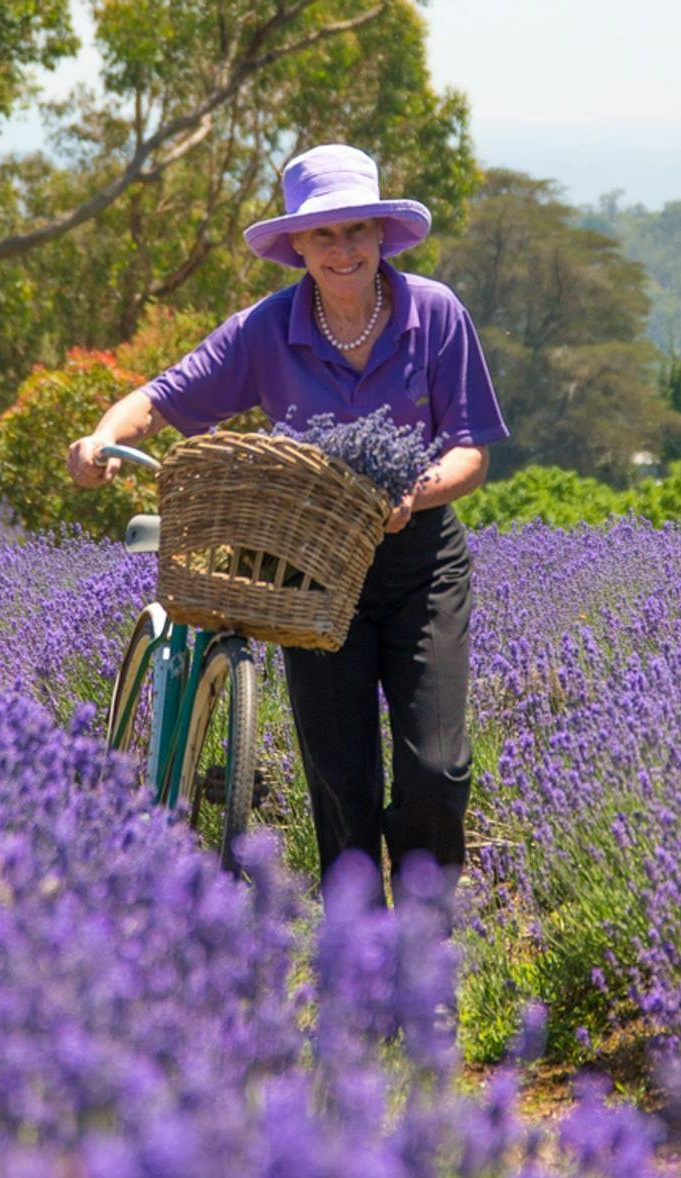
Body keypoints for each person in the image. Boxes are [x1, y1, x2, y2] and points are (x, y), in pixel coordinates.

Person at [69, 143, 503, 889]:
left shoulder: (436, 314)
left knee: (437, 769)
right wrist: (103, 437)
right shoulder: (265, 329)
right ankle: (356, 970)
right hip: (309, 577)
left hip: (419, 564)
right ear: (298, 245)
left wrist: (413, 494)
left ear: (380, 235)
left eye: (357, 231)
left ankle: (423, 956)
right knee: (341, 782)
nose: (343, 250)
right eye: (324, 235)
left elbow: (470, 449)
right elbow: (161, 398)